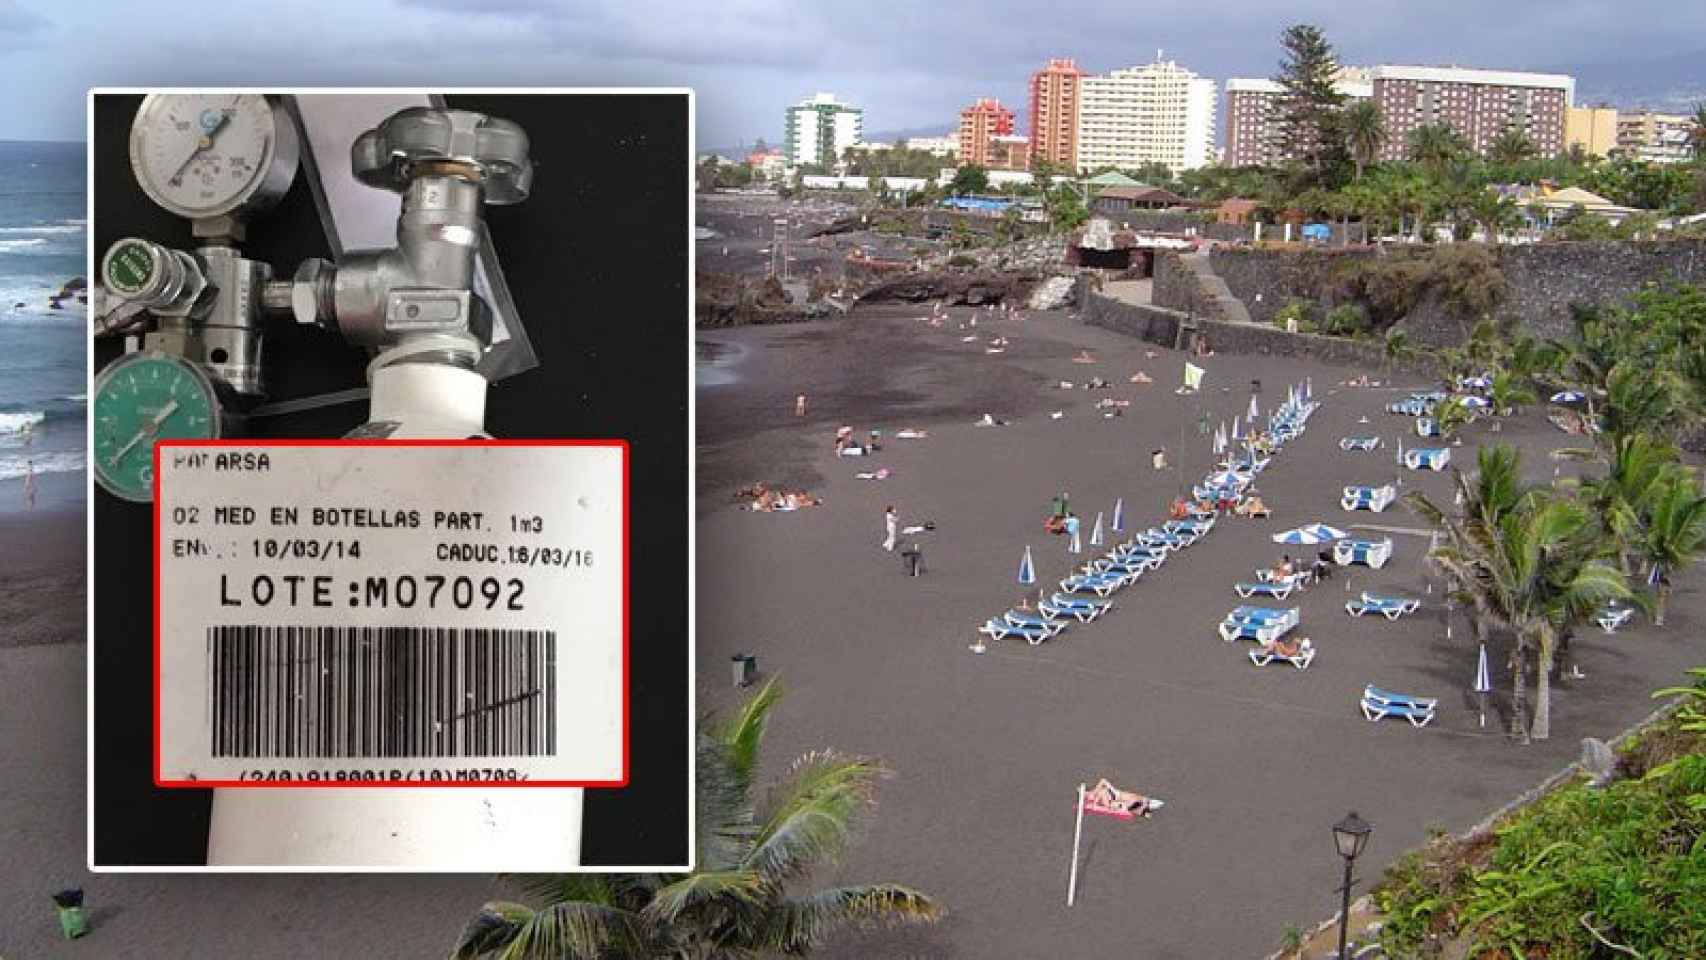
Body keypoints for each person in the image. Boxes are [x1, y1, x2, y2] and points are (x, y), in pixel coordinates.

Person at [1086, 778, 1158, 817]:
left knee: (1102, 790)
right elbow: (1142, 802)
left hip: (1113, 800)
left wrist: (1146, 810)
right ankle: (1092, 796)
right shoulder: (1137, 801)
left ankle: (1092, 798)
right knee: (1103, 784)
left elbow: (1142, 812)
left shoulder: (1133, 806)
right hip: (1115, 795)